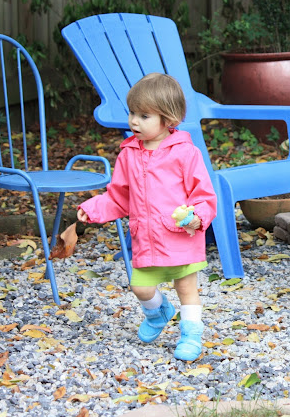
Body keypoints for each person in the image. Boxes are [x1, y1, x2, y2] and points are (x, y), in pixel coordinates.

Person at [77, 73, 217, 361]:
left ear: (168, 119)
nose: (134, 121)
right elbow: (119, 196)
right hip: (146, 238)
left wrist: (197, 216)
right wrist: (93, 209)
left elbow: (203, 195)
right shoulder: (128, 155)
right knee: (140, 287)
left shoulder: (185, 153)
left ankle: (191, 334)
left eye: (144, 116)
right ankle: (158, 313)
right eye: (131, 113)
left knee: (186, 287)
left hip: (181, 236)